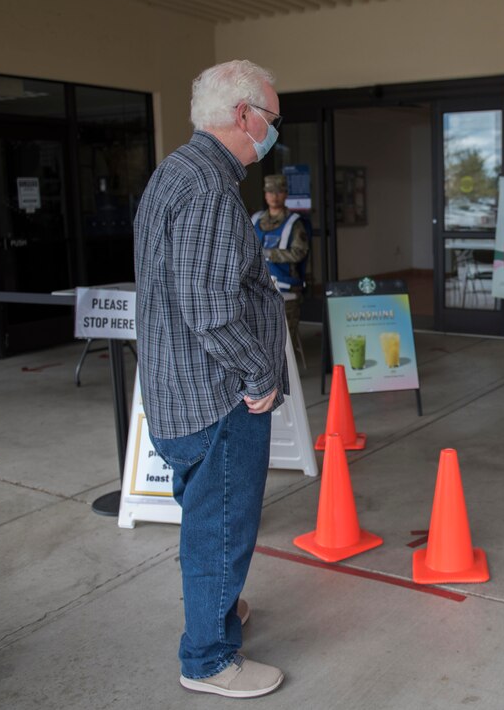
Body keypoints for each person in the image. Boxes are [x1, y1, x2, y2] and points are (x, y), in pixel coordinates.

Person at [133, 59, 288, 699]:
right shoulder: (208, 192)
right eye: (271, 121)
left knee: (206, 519)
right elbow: (209, 309)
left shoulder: (177, 173)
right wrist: (259, 375)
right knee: (219, 528)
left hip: (179, 390)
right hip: (215, 396)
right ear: (244, 115)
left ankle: (217, 611)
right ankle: (209, 659)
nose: (274, 133)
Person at [250, 174, 310, 343]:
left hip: (287, 289)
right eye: (270, 192)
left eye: (278, 192)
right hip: (258, 289)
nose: (274, 196)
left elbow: (299, 253)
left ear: (285, 194)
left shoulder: (294, 222)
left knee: (285, 342)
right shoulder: (255, 219)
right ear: (265, 194)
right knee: (261, 340)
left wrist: (270, 254)